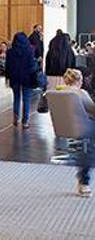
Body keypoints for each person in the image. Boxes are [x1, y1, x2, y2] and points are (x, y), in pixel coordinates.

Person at [52, 69, 95, 197]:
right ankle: (84, 181)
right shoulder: (80, 93)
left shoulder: (56, 91)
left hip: (67, 127)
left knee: (87, 150)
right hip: (84, 127)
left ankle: (83, 181)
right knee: (89, 150)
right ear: (79, 80)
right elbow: (92, 109)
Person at [5, 31, 38, 128]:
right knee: (26, 99)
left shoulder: (10, 52)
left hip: (14, 78)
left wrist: (7, 77)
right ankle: (25, 121)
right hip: (27, 78)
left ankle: (15, 119)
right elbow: (32, 65)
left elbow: (8, 66)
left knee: (16, 98)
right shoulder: (30, 51)